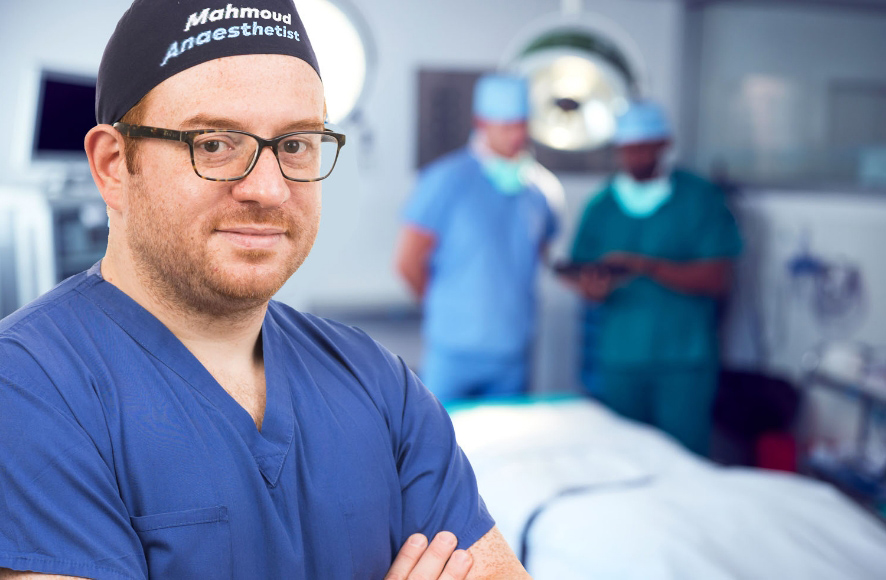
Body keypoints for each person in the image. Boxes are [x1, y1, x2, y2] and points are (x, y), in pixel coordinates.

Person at [0, 2, 530, 579]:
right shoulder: (28, 388)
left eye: (296, 144)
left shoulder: (380, 384)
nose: (269, 189)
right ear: (112, 165)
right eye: (214, 144)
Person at [562, 100, 742, 456]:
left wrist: (646, 266)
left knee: (685, 460)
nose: (635, 157)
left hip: (684, 360)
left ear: (664, 144)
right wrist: (593, 288)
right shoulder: (601, 207)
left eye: (644, 147)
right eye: (627, 149)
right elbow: (583, 275)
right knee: (624, 459)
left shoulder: (700, 199)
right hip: (620, 358)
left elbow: (718, 278)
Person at [395, 73, 561, 403]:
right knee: (441, 432)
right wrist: (450, 307)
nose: (517, 135)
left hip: (513, 351)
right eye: (507, 126)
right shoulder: (445, 180)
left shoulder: (541, 190)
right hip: (453, 351)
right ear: (482, 123)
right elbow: (407, 263)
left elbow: (540, 255)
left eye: (522, 125)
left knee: (510, 433)